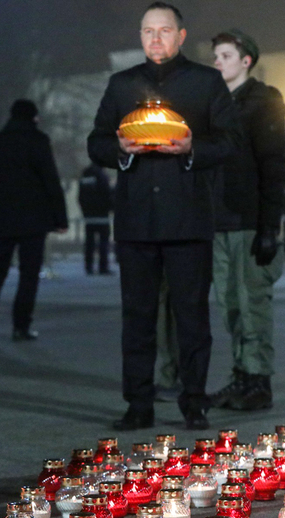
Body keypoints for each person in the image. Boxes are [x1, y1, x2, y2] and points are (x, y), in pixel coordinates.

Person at [87, 2, 242, 430]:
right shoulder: (122, 84)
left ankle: (194, 403)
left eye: (164, 30)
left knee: (192, 318)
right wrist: (120, 149)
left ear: (181, 35)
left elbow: (231, 140)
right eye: (148, 31)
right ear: (141, 36)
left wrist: (192, 148)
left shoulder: (206, 82)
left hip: (189, 220)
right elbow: (96, 142)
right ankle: (139, 404)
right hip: (136, 221)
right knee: (137, 318)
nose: (155, 38)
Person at [208, 30, 285, 412]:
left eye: (225, 55)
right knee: (230, 305)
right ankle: (242, 375)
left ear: (246, 61)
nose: (217, 61)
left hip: (249, 221)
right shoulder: (214, 103)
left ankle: (258, 382)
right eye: (216, 56)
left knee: (252, 302)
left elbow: (273, 165)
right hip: (219, 221)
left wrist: (269, 226)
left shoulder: (263, 101)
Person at [0, 99, 68, 342]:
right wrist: (60, 218)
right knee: (29, 276)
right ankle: (21, 326)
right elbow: (50, 180)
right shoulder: (38, 141)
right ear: (33, 117)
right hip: (34, 220)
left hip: (0, 221)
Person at [78, 163, 113, 275]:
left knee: (89, 242)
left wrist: (85, 211)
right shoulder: (101, 175)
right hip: (102, 214)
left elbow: (81, 195)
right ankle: (103, 267)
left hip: (89, 214)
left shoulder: (86, 173)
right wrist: (110, 208)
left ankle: (89, 266)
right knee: (103, 242)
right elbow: (107, 194)